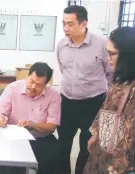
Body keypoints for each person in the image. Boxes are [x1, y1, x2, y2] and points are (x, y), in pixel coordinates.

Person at [56, 5, 113, 174]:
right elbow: (63, 70)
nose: (66, 28)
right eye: (63, 23)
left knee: (87, 146)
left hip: (93, 103)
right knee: (63, 146)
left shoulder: (102, 44)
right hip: (67, 102)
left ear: (83, 24)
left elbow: (110, 75)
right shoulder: (61, 46)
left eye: (70, 24)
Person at [84, 27, 135, 174]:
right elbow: (106, 109)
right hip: (103, 150)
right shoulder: (120, 79)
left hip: (120, 160)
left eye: (112, 54)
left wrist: (117, 166)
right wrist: (96, 134)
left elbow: (130, 135)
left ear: (128, 55)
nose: (108, 59)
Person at [0, 62, 61, 174]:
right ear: (27, 76)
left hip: (40, 139)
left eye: (39, 85)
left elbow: (51, 127)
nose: (33, 87)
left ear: (46, 84)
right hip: (14, 139)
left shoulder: (53, 95)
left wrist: (33, 125)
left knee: (54, 155)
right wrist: (1, 119)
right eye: (31, 81)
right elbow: (1, 114)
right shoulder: (12, 88)